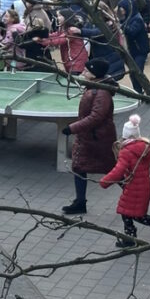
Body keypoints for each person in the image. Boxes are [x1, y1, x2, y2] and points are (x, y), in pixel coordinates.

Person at [99, 115, 150, 247]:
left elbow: (118, 170)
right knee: (127, 213)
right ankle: (132, 236)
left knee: (136, 214)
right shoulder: (144, 146)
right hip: (142, 187)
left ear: (125, 136)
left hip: (134, 188)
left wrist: (104, 182)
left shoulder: (126, 151)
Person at [60, 59, 118, 215]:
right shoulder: (94, 87)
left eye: (87, 70)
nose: (83, 71)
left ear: (95, 74)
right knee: (79, 166)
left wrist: (72, 128)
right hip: (89, 137)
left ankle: (133, 197)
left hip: (98, 138)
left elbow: (96, 117)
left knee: (114, 169)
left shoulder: (101, 92)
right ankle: (80, 202)